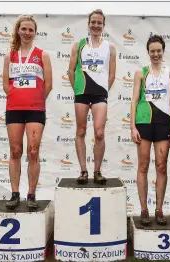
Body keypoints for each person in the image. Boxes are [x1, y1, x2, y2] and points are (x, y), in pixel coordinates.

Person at [2, 15, 53, 210]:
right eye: (24, 29)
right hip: (14, 108)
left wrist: (35, 99)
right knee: (15, 151)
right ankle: (15, 194)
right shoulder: (10, 56)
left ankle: (31, 194)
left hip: (35, 109)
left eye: (31, 30)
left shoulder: (42, 55)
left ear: (35, 32)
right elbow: (6, 85)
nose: (27, 33)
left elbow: (49, 84)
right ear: (18, 30)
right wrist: (17, 96)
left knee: (33, 151)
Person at [130, 35, 170, 226]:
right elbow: (134, 100)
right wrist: (132, 126)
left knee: (161, 166)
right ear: (148, 52)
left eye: (159, 51)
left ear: (163, 51)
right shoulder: (141, 73)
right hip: (143, 122)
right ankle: (143, 209)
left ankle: (159, 209)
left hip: (164, 123)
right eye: (152, 51)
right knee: (143, 166)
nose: (155, 54)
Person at [68, 9, 116, 185]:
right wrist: (77, 88)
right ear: (88, 24)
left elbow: (111, 75)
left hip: (99, 93)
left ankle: (97, 171)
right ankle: (83, 171)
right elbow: (70, 70)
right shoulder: (78, 45)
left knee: (99, 132)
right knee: (80, 131)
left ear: (103, 25)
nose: (96, 25)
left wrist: (103, 89)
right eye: (93, 22)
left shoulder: (109, 47)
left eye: (99, 23)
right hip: (82, 92)